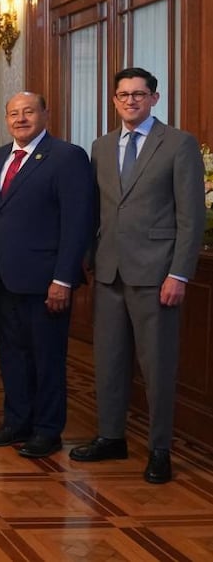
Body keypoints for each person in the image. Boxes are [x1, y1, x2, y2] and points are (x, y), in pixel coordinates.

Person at [70, 68, 205, 483]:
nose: (131, 101)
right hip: (109, 271)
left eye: (139, 95)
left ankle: (159, 448)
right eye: (123, 95)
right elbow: (96, 208)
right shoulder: (102, 145)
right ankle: (111, 437)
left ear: (155, 99)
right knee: (108, 362)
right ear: (114, 100)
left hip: (156, 274)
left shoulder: (178, 144)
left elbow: (192, 217)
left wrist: (179, 274)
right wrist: (91, 257)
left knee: (157, 366)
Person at [0, 91, 94, 459]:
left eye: (29, 112)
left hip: (46, 280)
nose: (21, 119)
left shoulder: (67, 157)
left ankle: (48, 430)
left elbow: (78, 223)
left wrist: (63, 279)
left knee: (47, 358)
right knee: (12, 355)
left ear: (46, 113)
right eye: (13, 113)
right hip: (4, 277)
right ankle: (17, 422)